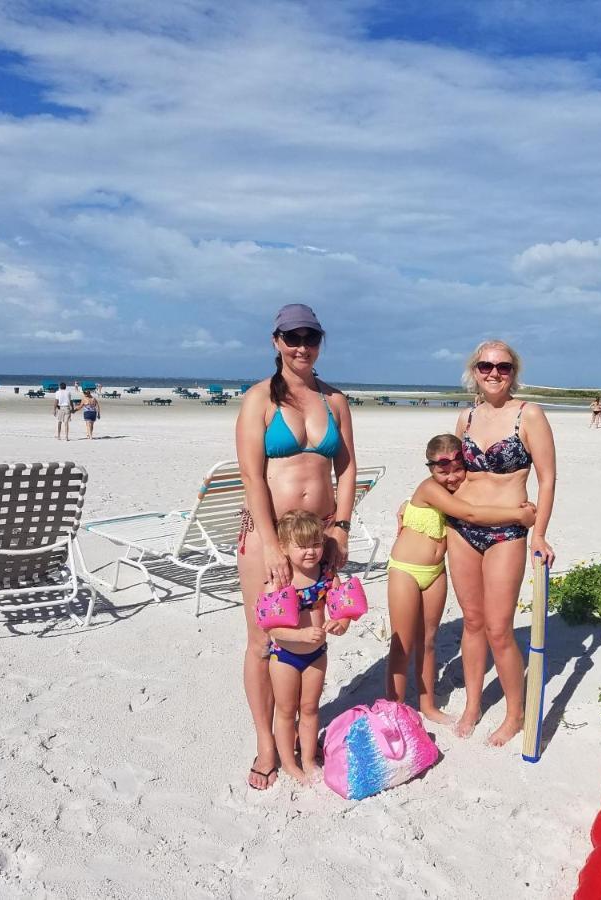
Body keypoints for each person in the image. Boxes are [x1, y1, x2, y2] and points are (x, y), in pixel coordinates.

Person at [235, 303, 357, 790]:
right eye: (292, 337)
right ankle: (267, 744)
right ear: (276, 342)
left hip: (319, 534)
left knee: (312, 631)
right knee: (263, 639)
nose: (301, 346)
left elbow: (346, 469)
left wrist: (343, 527)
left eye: (310, 337)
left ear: (320, 341)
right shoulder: (259, 399)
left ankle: (300, 728)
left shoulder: (335, 401)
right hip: (268, 533)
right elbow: (250, 474)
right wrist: (269, 543)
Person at [447, 340, 556, 745]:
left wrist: (539, 533)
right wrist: (420, 505)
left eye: (503, 367)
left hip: (507, 532)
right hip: (462, 527)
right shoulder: (466, 417)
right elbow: (452, 476)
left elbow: (547, 478)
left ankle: (515, 712)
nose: (494, 373)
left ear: (514, 372)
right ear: (473, 370)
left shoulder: (529, 415)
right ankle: (473, 703)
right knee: (472, 622)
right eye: (485, 366)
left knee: (498, 628)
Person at [386, 434, 536, 725]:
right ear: (430, 468)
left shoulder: (458, 489)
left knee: (428, 641)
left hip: (434, 572)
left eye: (458, 469)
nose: (452, 477)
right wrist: (518, 515)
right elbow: (471, 513)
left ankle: (427, 705)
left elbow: (480, 500)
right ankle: (393, 711)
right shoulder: (430, 488)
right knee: (402, 644)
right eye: (443, 471)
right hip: (406, 569)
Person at [262, 510, 350, 785]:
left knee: (310, 708)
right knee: (287, 710)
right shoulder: (279, 582)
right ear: (285, 548)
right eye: (302, 546)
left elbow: (343, 609)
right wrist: (299, 635)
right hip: (285, 656)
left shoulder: (327, 575)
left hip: (316, 656)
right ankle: (288, 762)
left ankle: (309, 759)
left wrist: (341, 623)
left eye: (316, 544)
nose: (311, 552)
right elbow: (269, 626)